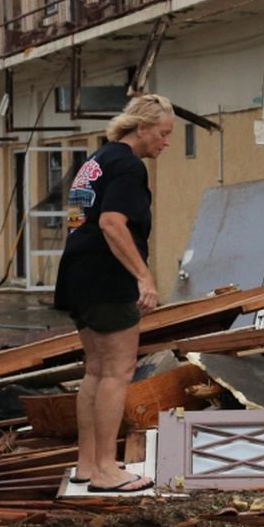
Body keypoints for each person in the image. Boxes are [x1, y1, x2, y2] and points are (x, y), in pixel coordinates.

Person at [53, 94, 175, 493]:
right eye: (163, 133)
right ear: (141, 128)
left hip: (78, 277)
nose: (166, 143)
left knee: (95, 371)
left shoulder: (95, 162)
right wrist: (144, 277)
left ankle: (87, 464)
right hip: (107, 280)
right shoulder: (127, 165)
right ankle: (107, 469)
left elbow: (76, 221)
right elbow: (111, 223)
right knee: (118, 372)